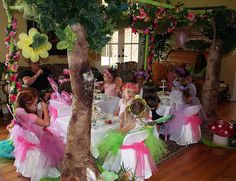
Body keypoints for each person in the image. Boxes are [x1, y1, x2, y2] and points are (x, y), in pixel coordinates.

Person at [97, 96, 167, 170]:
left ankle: (111, 166)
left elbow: (120, 131)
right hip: (138, 143)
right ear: (143, 111)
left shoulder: (132, 123)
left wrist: (121, 121)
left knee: (109, 137)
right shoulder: (145, 120)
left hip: (128, 144)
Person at [10, 87, 65, 181]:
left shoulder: (20, 111)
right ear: (27, 105)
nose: (36, 105)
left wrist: (39, 111)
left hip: (28, 137)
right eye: (35, 104)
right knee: (47, 149)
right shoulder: (30, 116)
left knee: (28, 159)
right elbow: (46, 124)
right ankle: (36, 173)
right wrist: (45, 109)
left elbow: (36, 122)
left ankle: (26, 172)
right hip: (35, 139)